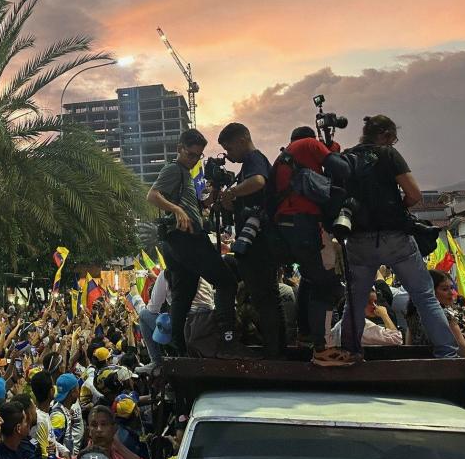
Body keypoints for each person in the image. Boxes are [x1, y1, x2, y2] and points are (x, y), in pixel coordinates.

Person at [339, 115, 458, 360]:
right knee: (425, 296)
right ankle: (447, 354)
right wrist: (398, 208)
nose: (393, 144)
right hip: (395, 237)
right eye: (392, 139)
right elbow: (414, 194)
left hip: (359, 239)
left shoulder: (346, 158)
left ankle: (351, 353)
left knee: (355, 300)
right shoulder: (387, 154)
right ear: (384, 135)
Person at [147, 129, 246, 358]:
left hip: (177, 241)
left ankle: (178, 348)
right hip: (187, 239)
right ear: (179, 148)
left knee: (184, 293)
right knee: (226, 282)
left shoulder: (184, 174)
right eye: (191, 154)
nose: (194, 160)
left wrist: (210, 197)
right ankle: (227, 339)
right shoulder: (173, 169)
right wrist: (177, 209)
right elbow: (152, 195)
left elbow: (195, 206)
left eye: (198, 156)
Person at [270, 126, 352, 365]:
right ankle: (323, 349)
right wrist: (332, 151)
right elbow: (342, 169)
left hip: (287, 227)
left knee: (310, 278)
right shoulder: (308, 144)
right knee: (327, 285)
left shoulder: (284, 156)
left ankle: (306, 335)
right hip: (306, 225)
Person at [218, 122, 286, 358]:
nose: (228, 155)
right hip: (257, 241)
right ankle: (276, 350)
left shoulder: (254, 159)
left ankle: (274, 353)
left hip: (260, 243)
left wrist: (232, 192)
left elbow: (258, 182)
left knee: (265, 298)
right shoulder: (246, 166)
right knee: (266, 298)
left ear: (242, 140)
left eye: (229, 148)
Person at [55, 406, 150, 459]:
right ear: (89, 431)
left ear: (114, 429)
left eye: (104, 424)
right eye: (94, 425)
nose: (99, 429)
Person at [328, 290, 402, 347]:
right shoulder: (362, 326)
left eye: (375, 302)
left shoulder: (340, 324)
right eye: (369, 302)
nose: (375, 306)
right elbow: (397, 339)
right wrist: (385, 315)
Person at [49, 374, 80, 458]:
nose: (79, 391)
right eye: (78, 388)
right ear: (73, 392)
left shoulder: (63, 410)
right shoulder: (59, 417)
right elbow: (51, 444)